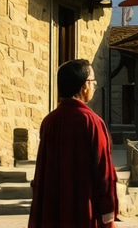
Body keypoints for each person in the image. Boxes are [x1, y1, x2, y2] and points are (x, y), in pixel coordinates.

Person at [28, 59, 118, 228]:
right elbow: (103, 173)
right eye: (93, 82)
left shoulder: (49, 120)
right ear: (84, 86)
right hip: (82, 210)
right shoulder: (92, 122)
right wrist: (108, 216)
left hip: (52, 210)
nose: (94, 86)